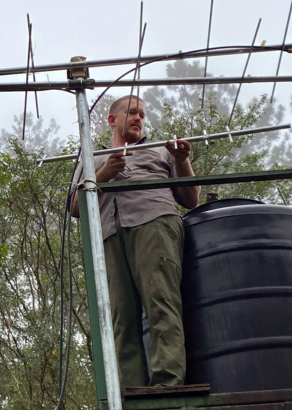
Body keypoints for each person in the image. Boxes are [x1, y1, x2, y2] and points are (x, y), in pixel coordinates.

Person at [70, 95, 200, 388]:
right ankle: (130, 390)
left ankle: (167, 382)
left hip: (155, 222)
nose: (139, 118)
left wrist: (183, 160)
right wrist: (103, 174)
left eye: (142, 113)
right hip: (109, 234)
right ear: (112, 120)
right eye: (132, 113)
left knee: (162, 301)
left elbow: (191, 200)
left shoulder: (161, 151)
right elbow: (76, 209)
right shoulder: (92, 159)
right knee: (120, 316)